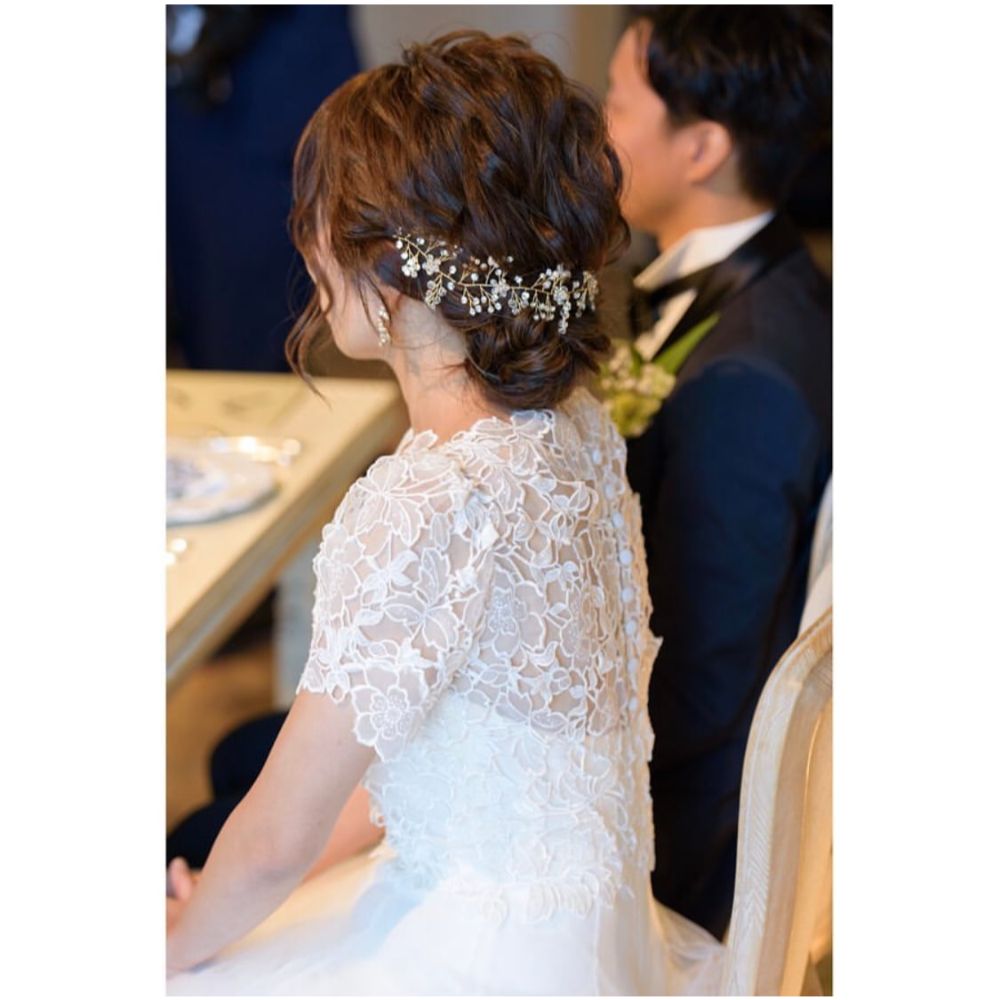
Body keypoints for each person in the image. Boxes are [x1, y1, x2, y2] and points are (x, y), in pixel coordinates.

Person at [165, 31, 725, 995]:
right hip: (594, 942)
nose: (304, 247)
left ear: (389, 272)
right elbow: (428, 758)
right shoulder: (577, 432)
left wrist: (171, 946)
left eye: (318, 220)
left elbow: (275, 840)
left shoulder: (426, 504)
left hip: (481, 961)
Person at [604, 6, 833, 941]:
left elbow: (700, 689)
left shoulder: (746, 378)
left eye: (616, 104)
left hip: (674, 839)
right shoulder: (775, 288)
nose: (599, 131)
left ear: (701, 148)